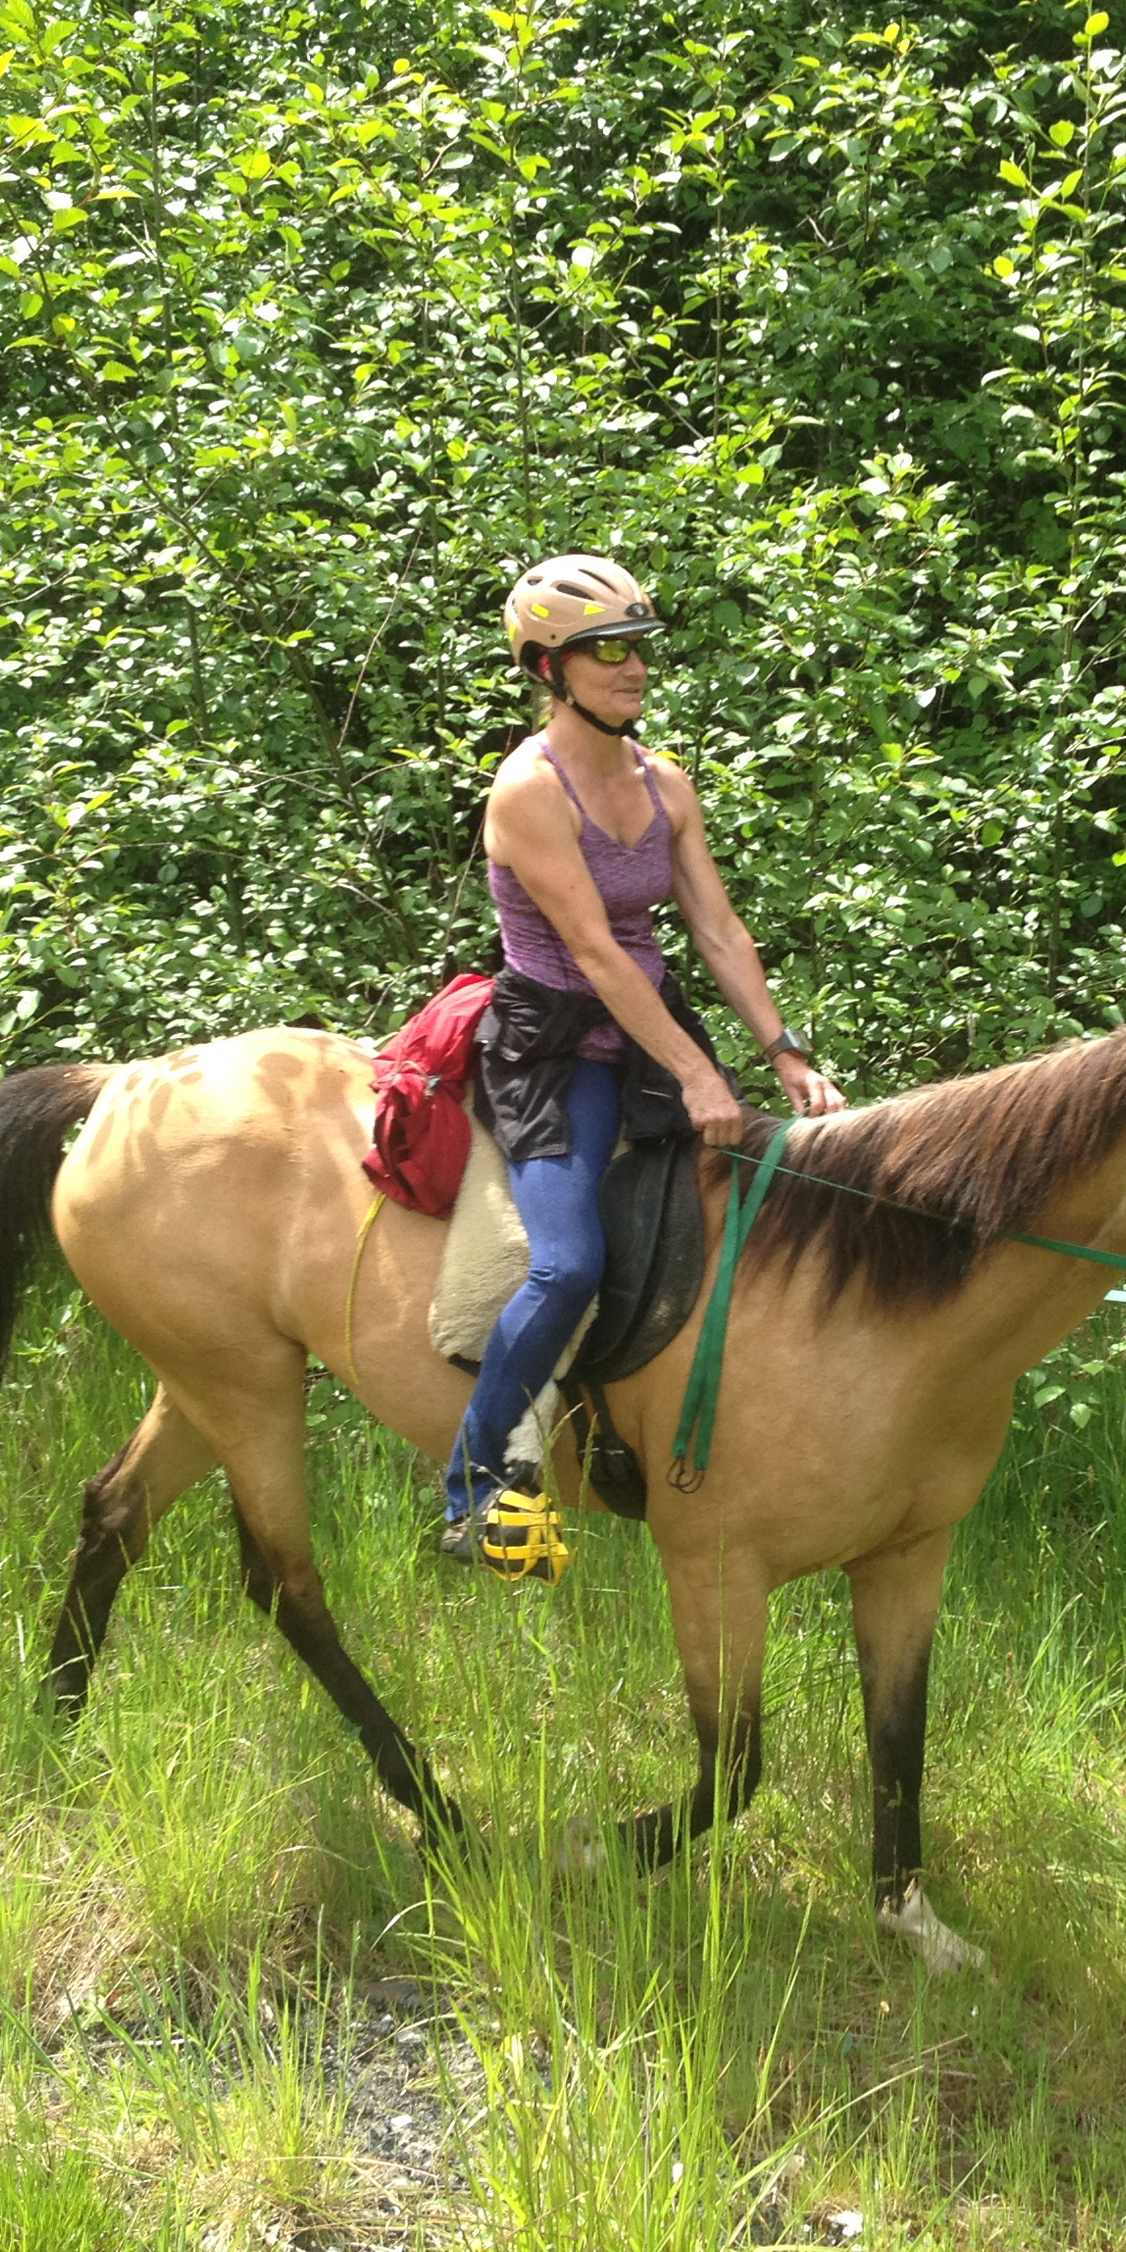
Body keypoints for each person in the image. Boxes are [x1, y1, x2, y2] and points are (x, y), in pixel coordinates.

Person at [439, 554, 849, 1573]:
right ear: (547, 669)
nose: (632, 670)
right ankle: (477, 1485)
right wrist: (698, 1077)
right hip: (552, 1044)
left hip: (649, 1029)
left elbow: (713, 929)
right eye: (605, 652)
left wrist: (781, 1051)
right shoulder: (526, 792)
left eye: (638, 649)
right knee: (567, 1261)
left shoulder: (663, 782)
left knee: (758, 1203)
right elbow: (590, 956)